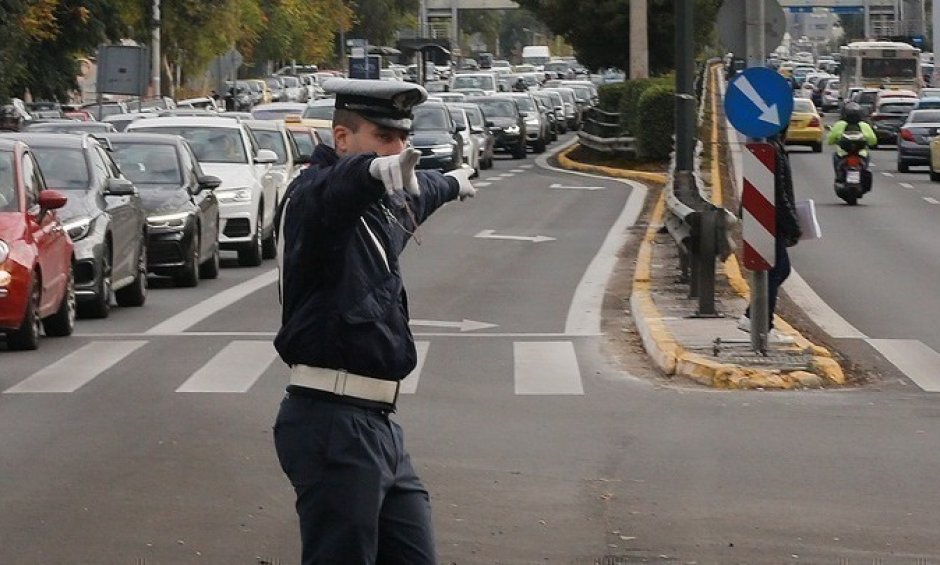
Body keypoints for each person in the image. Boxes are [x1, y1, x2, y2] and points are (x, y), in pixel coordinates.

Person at [272, 78, 476, 565]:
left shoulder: (383, 203)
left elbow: (417, 192)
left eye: (403, 138)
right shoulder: (313, 200)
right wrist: (371, 171)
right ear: (342, 139)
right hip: (331, 420)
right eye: (384, 137)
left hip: (378, 424)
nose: (399, 148)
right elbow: (335, 188)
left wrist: (449, 183)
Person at [738, 126, 801, 344]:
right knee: (776, 270)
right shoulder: (772, 150)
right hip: (770, 221)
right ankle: (761, 324)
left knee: (777, 270)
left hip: (765, 218)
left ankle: (754, 318)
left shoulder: (769, 148)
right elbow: (780, 195)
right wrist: (793, 225)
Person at [826, 101, 876, 180]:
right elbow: (873, 141)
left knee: (835, 156)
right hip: (861, 154)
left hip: (842, 154)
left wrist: (835, 141)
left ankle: (839, 176)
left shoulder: (840, 124)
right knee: (867, 157)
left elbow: (830, 140)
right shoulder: (864, 125)